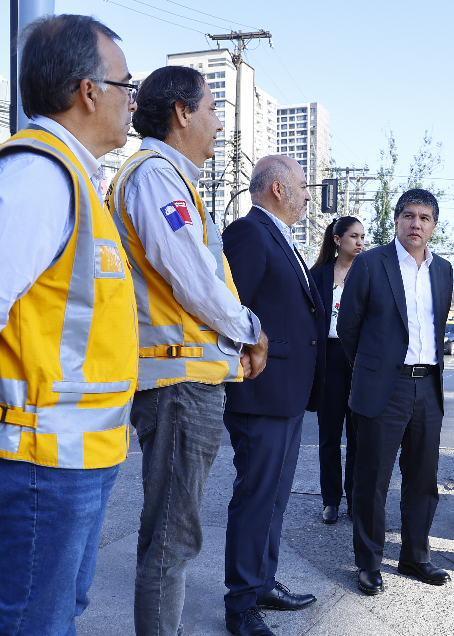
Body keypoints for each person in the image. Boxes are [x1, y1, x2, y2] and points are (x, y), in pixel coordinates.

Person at [0, 15, 139, 633]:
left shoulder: (72, 179)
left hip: (70, 454)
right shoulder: (39, 178)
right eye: (127, 84)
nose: (132, 100)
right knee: (34, 626)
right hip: (42, 459)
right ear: (89, 91)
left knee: (55, 616)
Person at [105, 65, 268, 636]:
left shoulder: (169, 178)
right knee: (172, 543)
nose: (219, 124)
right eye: (213, 110)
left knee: (171, 537)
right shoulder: (155, 176)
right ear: (181, 113)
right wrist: (248, 329)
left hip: (187, 377)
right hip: (177, 385)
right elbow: (191, 276)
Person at [220, 155, 326, 636]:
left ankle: (261, 581)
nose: (308, 194)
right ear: (278, 189)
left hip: (285, 392)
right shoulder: (249, 232)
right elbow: (228, 305)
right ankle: (240, 603)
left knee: (276, 498)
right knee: (256, 496)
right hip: (260, 390)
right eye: (303, 186)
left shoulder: (280, 236)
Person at [337, 189, 454, 596]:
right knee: (372, 480)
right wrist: (374, 369)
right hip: (384, 387)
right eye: (408, 216)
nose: (416, 224)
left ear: (434, 226)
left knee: (423, 478)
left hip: (429, 385)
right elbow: (348, 328)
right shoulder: (371, 263)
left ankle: (415, 556)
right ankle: (368, 563)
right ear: (396, 220)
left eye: (424, 218)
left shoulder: (442, 270)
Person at [311, 216, 365, 524]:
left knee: (358, 435)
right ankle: (330, 500)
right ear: (337, 239)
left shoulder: (368, 273)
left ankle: (355, 499)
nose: (359, 242)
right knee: (329, 435)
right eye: (353, 236)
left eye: (362, 237)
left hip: (359, 360)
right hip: (329, 359)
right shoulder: (318, 276)